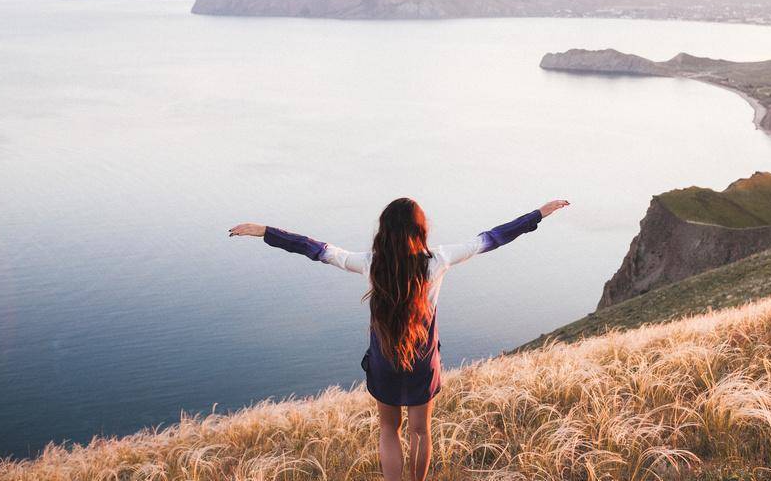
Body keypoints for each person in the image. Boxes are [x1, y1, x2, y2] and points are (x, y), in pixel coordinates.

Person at [228, 197, 569, 481]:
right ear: (420, 229)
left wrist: (266, 232)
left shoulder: (370, 263)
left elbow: (316, 249)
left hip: (384, 361)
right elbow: (493, 238)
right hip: (422, 362)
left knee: (389, 430)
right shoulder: (439, 260)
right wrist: (538, 214)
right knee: (420, 431)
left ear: (384, 232)